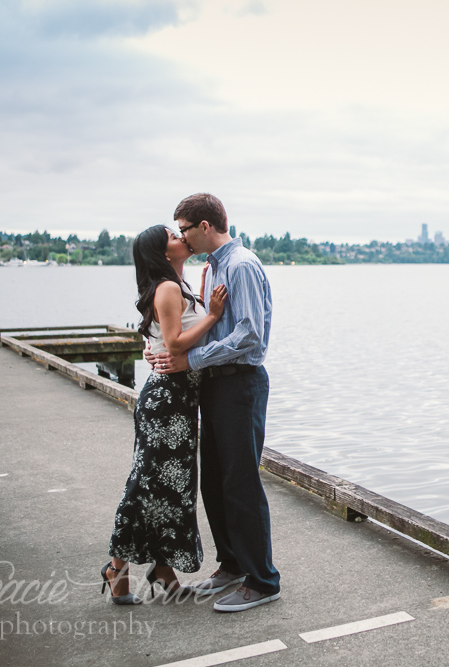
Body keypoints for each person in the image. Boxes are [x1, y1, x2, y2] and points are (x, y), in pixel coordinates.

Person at [150, 192, 280, 613]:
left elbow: (249, 335)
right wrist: (164, 353)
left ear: (205, 227)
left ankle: (263, 581)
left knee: (241, 483)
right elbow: (203, 327)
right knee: (216, 482)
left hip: (240, 383)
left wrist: (190, 359)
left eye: (185, 230)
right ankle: (232, 563)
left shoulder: (240, 265)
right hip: (216, 385)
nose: (182, 239)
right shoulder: (213, 267)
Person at [102, 224, 227, 605]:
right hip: (167, 401)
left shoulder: (177, 286)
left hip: (176, 399)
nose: (181, 239)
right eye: (173, 237)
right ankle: (116, 569)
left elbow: (159, 339)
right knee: (147, 485)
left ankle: (163, 570)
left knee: (170, 488)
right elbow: (174, 342)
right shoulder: (169, 288)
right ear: (163, 252)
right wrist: (214, 315)